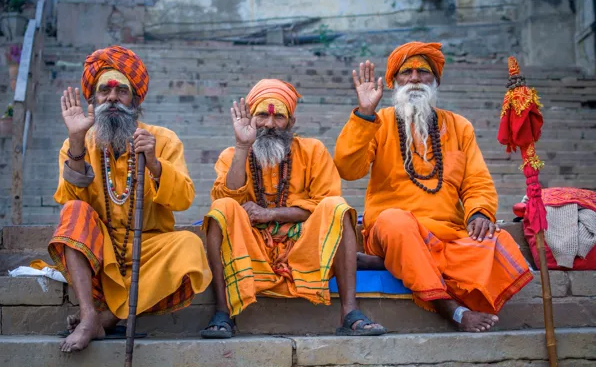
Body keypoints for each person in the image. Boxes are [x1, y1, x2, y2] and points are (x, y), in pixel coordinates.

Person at [334, 42, 533, 332]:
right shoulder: (379, 122)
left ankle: (392, 263)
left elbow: (477, 181)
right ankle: (452, 310)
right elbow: (348, 169)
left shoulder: (459, 126)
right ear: (394, 81)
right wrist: (364, 113)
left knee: (497, 242)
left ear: (435, 80)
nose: (415, 78)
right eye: (406, 72)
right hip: (392, 229)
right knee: (396, 222)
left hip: (445, 234)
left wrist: (479, 213)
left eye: (423, 72)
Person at [49, 45, 212, 352]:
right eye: (104, 91)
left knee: (190, 246)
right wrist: (75, 141)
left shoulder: (163, 139)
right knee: (74, 212)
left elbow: (184, 199)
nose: (112, 98)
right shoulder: (78, 141)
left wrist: (153, 161)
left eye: (121, 91)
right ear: (93, 100)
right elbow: (69, 202)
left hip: (147, 247)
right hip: (98, 247)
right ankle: (88, 317)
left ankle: (107, 319)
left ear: (135, 99)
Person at [201, 79, 386, 338]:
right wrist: (243, 146)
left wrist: (272, 214)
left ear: (291, 122)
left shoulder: (313, 151)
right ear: (251, 118)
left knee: (338, 206)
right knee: (221, 209)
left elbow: (324, 201)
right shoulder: (232, 155)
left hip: (304, 247)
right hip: (254, 245)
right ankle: (223, 312)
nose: (269, 124)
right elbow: (227, 198)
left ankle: (349, 312)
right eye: (262, 115)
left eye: (279, 117)